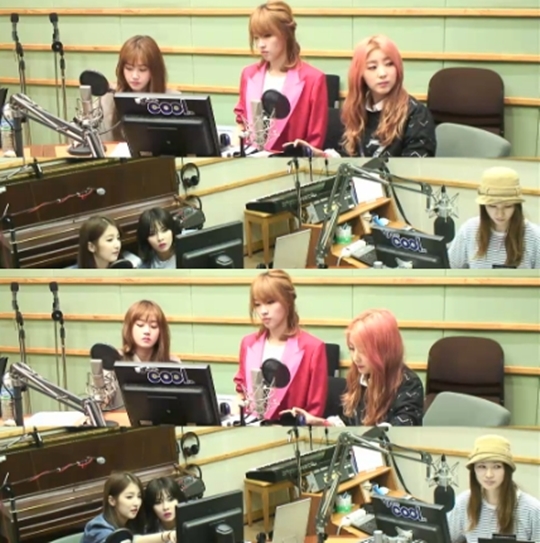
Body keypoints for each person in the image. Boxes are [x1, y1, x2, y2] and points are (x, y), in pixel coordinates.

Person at [284, 34, 436, 157]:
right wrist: (322, 157)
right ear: (360, 74)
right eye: (372, 67)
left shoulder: (417, 114)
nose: (382, 73)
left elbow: (416, 169)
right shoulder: (357, 110)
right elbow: (352, 158)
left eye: (389, 64)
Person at [282, 308, 424, 426]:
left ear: (384, 349)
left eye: (364, 351)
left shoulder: (409, 384)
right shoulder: (359, 376)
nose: (355, 358)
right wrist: (321, 423)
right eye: (352, 349)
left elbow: (399, 433)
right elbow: (349, 423)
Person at [234, 1, 328, 154]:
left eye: (267, 36)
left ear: (285, 33)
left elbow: (315, 144)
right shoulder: (248, 74)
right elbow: (241, 123)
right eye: (256, 38)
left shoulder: (314, 80)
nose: (260, 44)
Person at [234, 269, 328, 420]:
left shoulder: (313, 348)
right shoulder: (248, 343)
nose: (263, 311)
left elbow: (314, 412)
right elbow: (241, 391)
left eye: (270, 302)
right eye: (257, 304)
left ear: (288, 301)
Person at [447, 435, 540, 543]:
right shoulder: (463, 503)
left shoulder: (531, 509)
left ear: (507, 470)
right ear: (474, 471)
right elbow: (444, 538)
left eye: (497, 467)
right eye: (482, 466)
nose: (489, 475)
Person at [449, 167, 540, 269]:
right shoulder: (468, 231)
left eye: (508, 206)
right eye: (492, 206)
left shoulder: (535, 236)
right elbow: (448, 270)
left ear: (516, 206)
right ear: (483, 206)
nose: (500, 214)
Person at [102, 300, 181, 411]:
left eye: (153, 326)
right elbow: (101, 403)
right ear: (129, 328)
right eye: (140, 325)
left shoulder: (173, 364)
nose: (147, 331)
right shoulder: (114, 360)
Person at [100, 35, 179, 142]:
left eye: (142, 70)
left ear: (155, 71)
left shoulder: (172, 100)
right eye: (129, 69)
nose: (135, 76)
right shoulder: (108, 98)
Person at [82, 471, 177, 543]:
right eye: (129, 497)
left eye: (139, 496)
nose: (136, 503)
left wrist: (168, 535)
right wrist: (165, 536)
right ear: (112, 500)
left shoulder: (132, 523)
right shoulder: (98, 527)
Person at [76, 216, 141, 269]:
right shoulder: (74, 275)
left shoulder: (133, 264)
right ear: (91, 247)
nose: (117, 245)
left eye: (118, 238)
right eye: (109, 240)